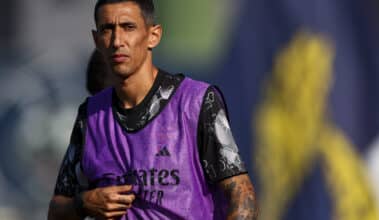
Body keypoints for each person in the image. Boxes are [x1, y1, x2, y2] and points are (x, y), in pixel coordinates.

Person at [48, 0, 258, 219]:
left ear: (153, 36)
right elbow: (55, 210)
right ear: (97, 40)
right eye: (107, 29)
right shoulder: (89, 116)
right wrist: (83, 204)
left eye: (128, 27)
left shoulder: (197, 103)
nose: (117, 40)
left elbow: (243, 198)